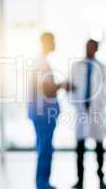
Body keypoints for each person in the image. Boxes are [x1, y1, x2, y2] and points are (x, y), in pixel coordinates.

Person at [28, 32, 72, 189]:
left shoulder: (39, 61)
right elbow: (47, 89)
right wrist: (63, 85)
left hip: (39, 112)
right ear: (46, 42)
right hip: (43, 114)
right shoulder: (42, 63)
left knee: (44, 148)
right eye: (53, 41)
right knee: (45, 149)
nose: (55, 44)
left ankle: (43, 182)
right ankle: (42, 184)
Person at [69, 39, 106, 189]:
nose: (89, 49)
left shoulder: (103, 68)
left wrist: (101, 103)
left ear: (96, 49)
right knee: (79, 147)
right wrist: (74, 99)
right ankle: (79, 180)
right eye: (87, 47)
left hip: (96, 111)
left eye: (92, 47)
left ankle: (101, 179)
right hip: (81, 111)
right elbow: (71, 85)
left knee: (99, 147)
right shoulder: (76, 67)